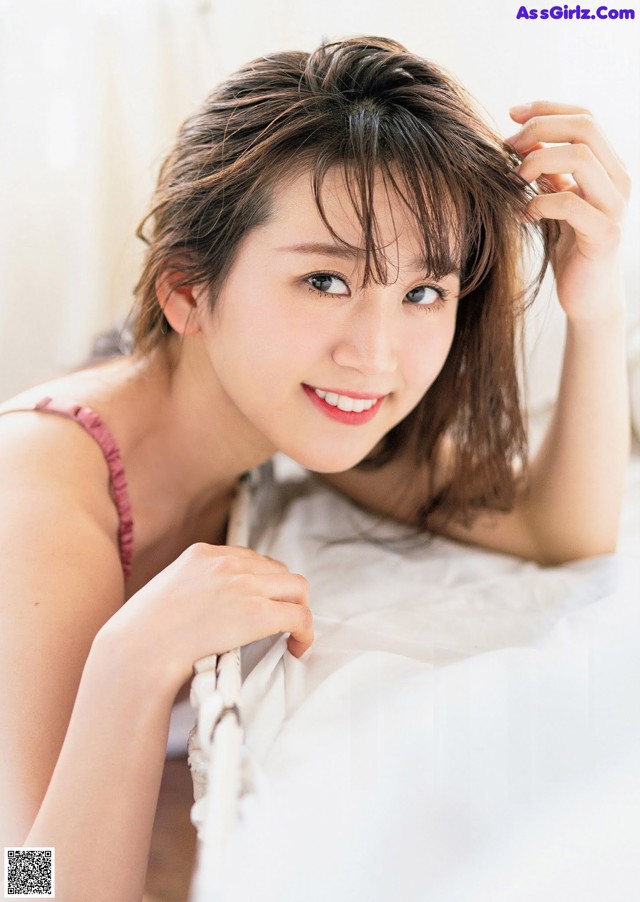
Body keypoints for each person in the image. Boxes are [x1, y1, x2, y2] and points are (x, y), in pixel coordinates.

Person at [0, 34, 630, 902]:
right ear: (187, 289)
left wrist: (594, 314)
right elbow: (29, 882)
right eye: (326, 282)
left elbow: (558, 530)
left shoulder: (278, 416)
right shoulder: (38, 493)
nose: (375, 355)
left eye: (421, 294)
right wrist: (133, 661)